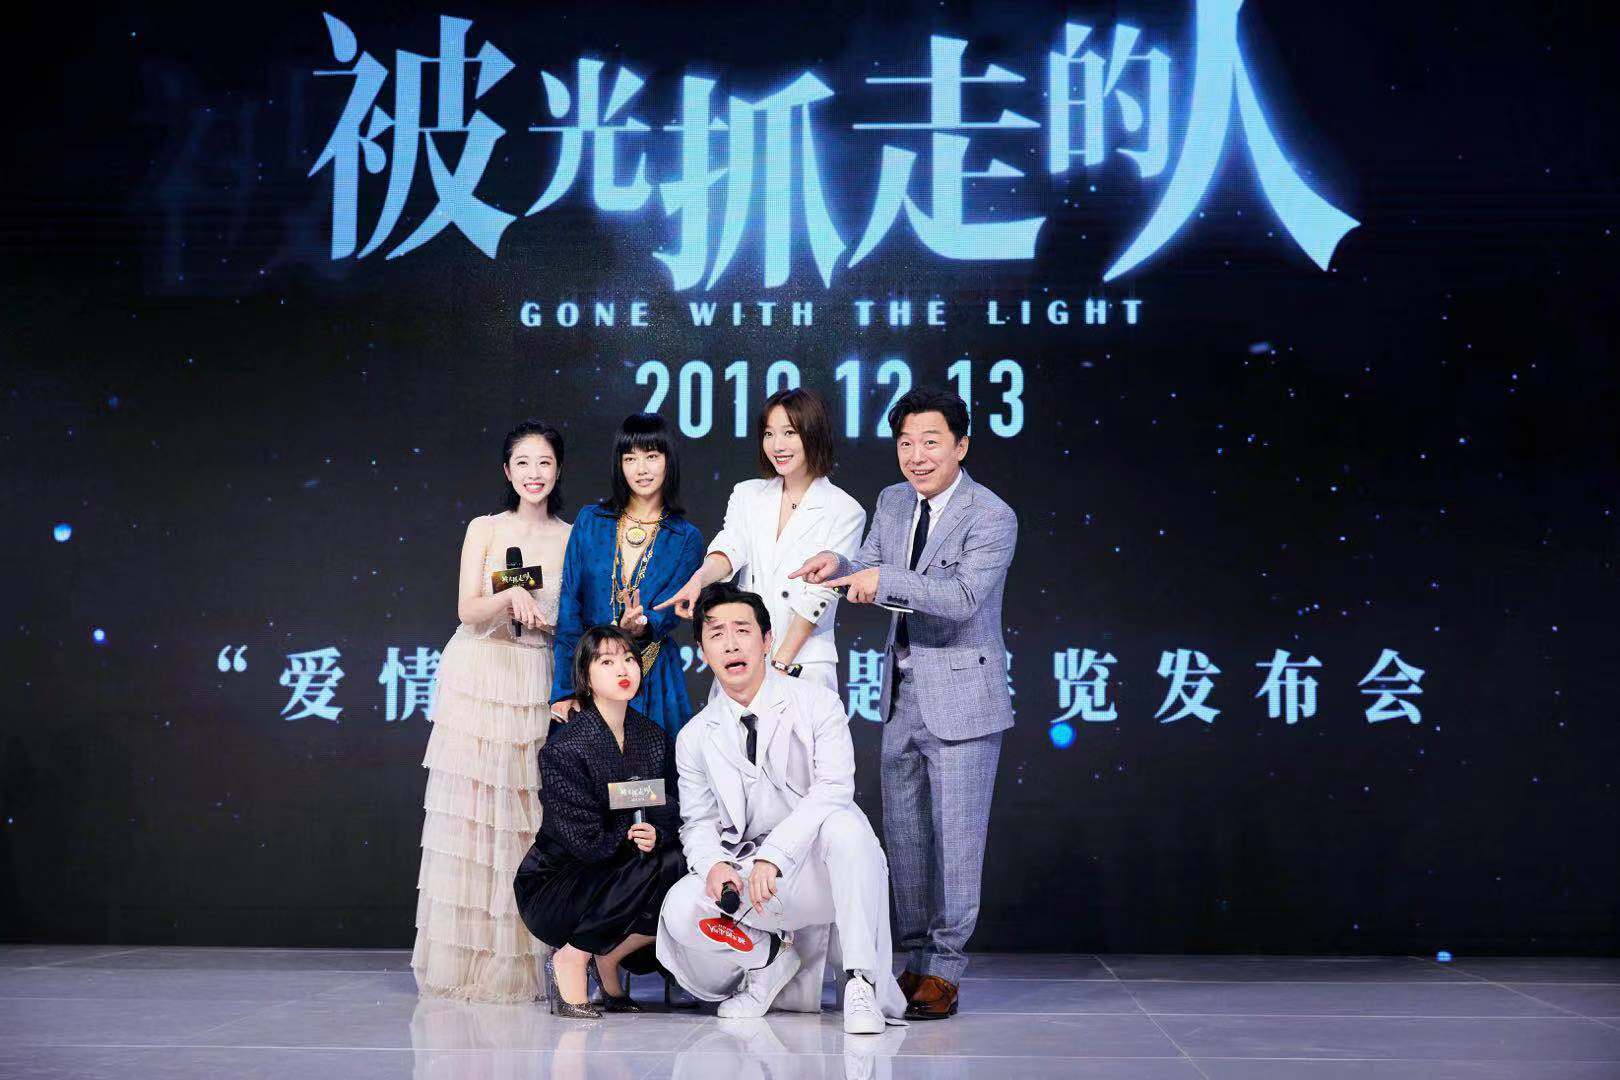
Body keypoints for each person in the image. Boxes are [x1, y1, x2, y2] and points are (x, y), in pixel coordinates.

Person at [791, 387, 1017, 1021]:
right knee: (906, 838)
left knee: (957, 841)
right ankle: (913, 957)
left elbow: (962, 598)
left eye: (931, 442)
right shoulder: (892, 501)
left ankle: (945, 968)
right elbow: (869, 564)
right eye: (906, 443)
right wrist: (838, 563)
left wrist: (881, 579)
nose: (916, 456)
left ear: (961, 446)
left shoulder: (991, 515)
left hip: (965, 700)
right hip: (901, 694)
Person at [656, 582, 907, 1035]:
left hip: (819, 871)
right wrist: (713, 865)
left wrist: (776, 855)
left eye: (742, 630)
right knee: (680, 909)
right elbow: (697, 822)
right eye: (716, 634)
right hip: (752, 880)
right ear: (703, 651)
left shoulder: (817, 702)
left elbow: (834, 788)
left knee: (846, 828)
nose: (731, 644)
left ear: (767, 639)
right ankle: (768, 961)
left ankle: (861, 984)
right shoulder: (695, 735)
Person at [413, 421, 572, 1003]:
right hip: (481, 675)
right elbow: (467, 609)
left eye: (545, 462)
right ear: (507, 471)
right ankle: (470, 957)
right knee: (475, 816)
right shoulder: (485, 528)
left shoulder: (572, 536)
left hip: (535, 676)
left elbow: (572, 620)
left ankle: (527, 958)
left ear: (558, 470)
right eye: (523, 462)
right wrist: (509, 595)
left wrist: (545, 620)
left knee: (527, 814)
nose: (534, 473)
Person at [514, 626, 686, 1018]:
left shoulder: (653, 737)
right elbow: (583, 840)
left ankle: (608, 959)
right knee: (647, 864)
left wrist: (655, 832)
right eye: (606, 662)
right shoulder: (565, 747)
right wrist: (631, 829)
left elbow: (671, 804)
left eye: (628, 659)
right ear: (585, 677)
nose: (623, 669)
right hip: (559, 882)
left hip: (620, 869)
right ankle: (572, 957)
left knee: (677, 860)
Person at [656, 388, 865, 696]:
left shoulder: (845, 510)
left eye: (789, 433)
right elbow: (731, 547)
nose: (777, 445)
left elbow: (820, 595)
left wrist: (778, 664)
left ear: (813, 434)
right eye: (769, 434)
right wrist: (698, 580)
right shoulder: (748, 494)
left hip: (803, 662)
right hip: (743, 658)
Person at [551, 413, 705, 733]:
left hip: (652, 677)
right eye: (630, 458)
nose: (641, 469)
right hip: (590, 676)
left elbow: (671, 611)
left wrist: (643, 625)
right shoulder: (591, 520)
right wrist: (565, 690)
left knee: (649, 764)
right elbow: (569, 607)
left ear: (668, 460)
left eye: (652, 456)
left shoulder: (685, 537)